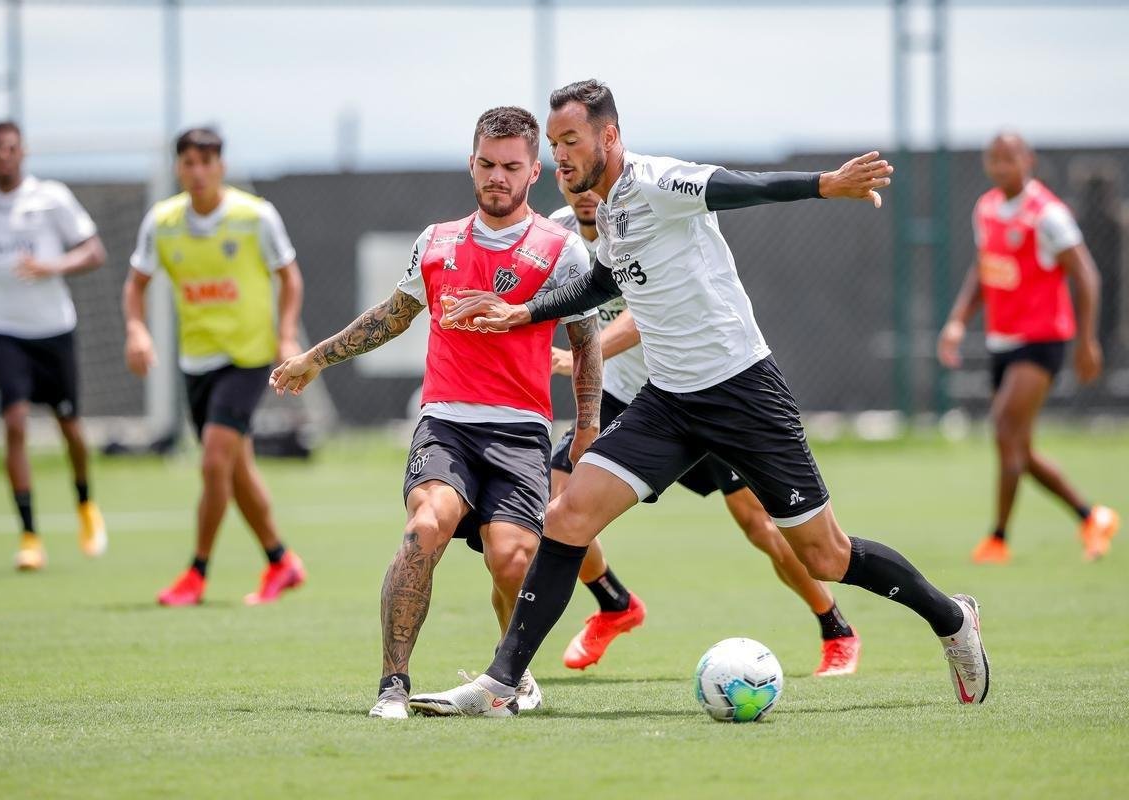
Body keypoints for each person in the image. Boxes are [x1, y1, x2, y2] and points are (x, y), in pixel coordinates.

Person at [408, 79, 989, 717]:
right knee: (566, 518)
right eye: (555, 144)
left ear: (610, 136)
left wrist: (825, 184)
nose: (562, 156)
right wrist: (520, 312)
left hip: (743, 393)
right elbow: (602, 282)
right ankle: (501, 685)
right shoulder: (604, 210)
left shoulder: (659, 182)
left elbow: (741, 186)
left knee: (826, 556)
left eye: (571, 141)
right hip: (669, 402)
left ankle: (951, 617)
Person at [269, 106, 602, 719]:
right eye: (486, 164)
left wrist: (586, 431)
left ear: (535, 173)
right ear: (470, 164)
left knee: (513, 558)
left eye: (510, 166)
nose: (496, 176)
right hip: (446, 423)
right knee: (426, 527)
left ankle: (509, 676)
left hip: (521, 431)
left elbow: (585, 347)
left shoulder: (564, 252)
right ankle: (392, 686)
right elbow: (391, 317)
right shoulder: (438, 241)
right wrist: (315, 359)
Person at [547, 171, 861, 676]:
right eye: (568, 174)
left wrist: (587, 353)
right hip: (626, 399)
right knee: (557, 501)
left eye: (587, 174)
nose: (582, 189)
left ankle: (835, 627)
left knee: (760, 525)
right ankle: (614, 604)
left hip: (696, 390)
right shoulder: (556, 233)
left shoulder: (638, 217)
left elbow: (639, 314)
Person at [123, 128, 307, 606]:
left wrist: (286, 335)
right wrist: (136, 330)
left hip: (248, 357)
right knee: (236, 469)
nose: (199, 171)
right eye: (189, 162)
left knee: (212, 460)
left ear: (221, 166)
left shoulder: (255, 216)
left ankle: (196, 572)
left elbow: (289, 277)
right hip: (195, 361)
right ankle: (280, 561)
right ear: (178, 168)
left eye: (207, 161)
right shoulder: (162, 222)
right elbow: (135, 283)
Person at [0, 121, 108, 571]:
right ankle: (30, 536)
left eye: (11, 148)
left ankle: (85, 504)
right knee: (13, 424)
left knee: (69, 426)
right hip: (4, 330)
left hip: (53, 329)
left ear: (23, 151)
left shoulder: (51, 199)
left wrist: (52, 265)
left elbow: (94, 251)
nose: (4, 156)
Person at [938, 132, 1118, 564]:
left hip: (1043, 340)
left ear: (1028, 160)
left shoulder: (1049, 215)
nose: (1001, 167)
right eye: (994, 159)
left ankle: (998, 538)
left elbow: (1088, 276)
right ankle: (1092, 517)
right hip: (1003, 341)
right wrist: (958, 322)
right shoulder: (986, 208)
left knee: (1003, 429)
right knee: (1020, 447)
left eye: (1009, 159)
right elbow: (984, 269)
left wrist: (1088, 340)